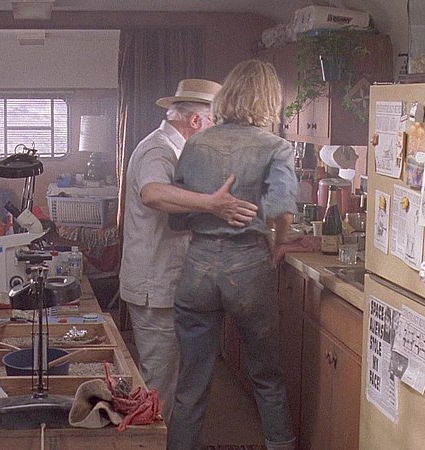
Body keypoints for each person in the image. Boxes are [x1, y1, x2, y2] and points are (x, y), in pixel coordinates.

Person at [167, 60, 299, 450]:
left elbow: (177, 218)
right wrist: (277, 244)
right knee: (266, 378)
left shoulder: (195, 144)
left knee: (191, 383)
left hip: (198, 267)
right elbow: (282, 212)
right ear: (269, 100)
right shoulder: (275, 147)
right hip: (248, 268)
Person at [119, 78, 259, 424]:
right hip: (155, 287)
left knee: (173, 383)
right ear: (196, 121)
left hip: (168, 285)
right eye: (215, 124)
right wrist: (212, 204)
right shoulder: (158, 150)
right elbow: (152, 193)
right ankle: (150, 443)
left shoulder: (177, 150)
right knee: (159, 388)